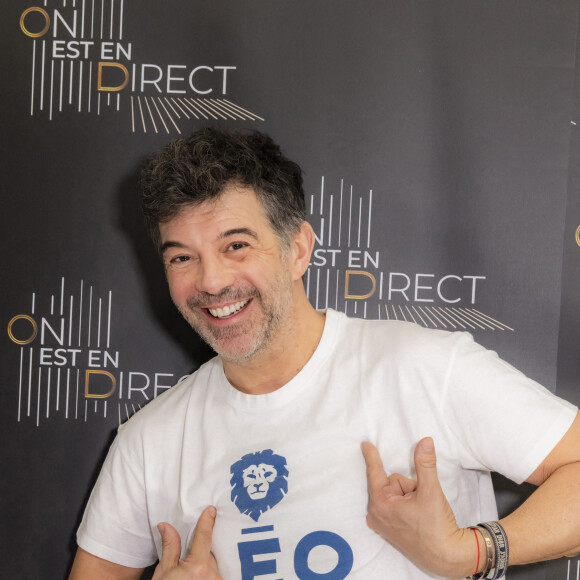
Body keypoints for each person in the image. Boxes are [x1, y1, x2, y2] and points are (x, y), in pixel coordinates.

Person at [69, 127, 580, 580]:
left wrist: (469, 552)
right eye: (183, 257)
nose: (211, 281)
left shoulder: (421, 367)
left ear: (298, 249)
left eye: (236, 246)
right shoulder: (148, 442)